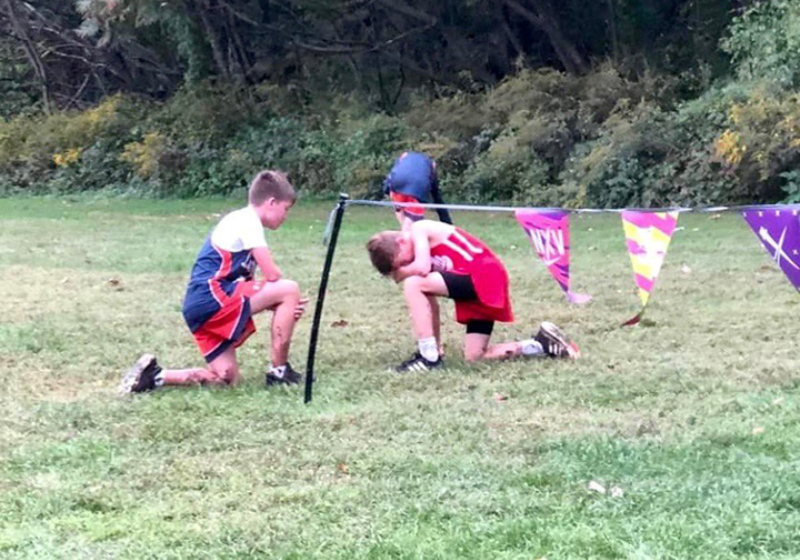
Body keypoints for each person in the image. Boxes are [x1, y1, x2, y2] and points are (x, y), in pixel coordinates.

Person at [120, 170, 308, 393]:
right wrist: (285, 301)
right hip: (213, 297)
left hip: (198, 306)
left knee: (226, 379)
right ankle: (279, 371)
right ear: (271, 202)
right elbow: (273, 275)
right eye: (286, 209)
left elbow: (244, 285)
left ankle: (155, 377)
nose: (286, 216)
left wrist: (278, 305)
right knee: (289, 289)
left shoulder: (240, 221)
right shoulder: (247, 221)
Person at [366, 219, 580, 372]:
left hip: (482, 275)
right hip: (479, 282)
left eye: (403, 261)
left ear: (401, 242)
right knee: (475, 357)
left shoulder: (418, 229)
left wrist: (400, 274)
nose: (406, 265)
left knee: (413, 283)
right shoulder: (412, 243)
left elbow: (421, 267)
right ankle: (541, 344)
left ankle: (427, 356)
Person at [383, 151, 453, 230]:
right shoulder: (430, 165)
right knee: (412, 220)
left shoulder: (405, 156)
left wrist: (387, 189)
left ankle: (405, 232)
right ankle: (406, 234)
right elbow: (437, 198)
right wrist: (448, 224)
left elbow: (391, 176)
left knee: (399, 210)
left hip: (397, 183)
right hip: (417, 186)